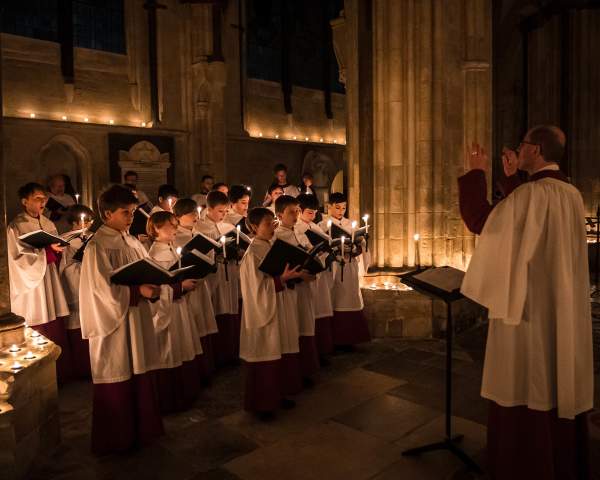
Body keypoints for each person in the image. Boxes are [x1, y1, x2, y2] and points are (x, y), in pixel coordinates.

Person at [458, 126, 593, 480]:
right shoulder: (571, 194)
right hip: (559, 306)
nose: (518, 150)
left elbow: (482, 221)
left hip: (528, 311)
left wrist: (475, 172)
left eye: (522, 145)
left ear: (535, 149)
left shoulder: (532, 195)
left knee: (527, 377)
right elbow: (531, 226)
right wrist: (512, 179)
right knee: (557, 372)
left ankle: (525, 465)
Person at [79, 184, 164, 454]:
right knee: (118, 369)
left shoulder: (132, 240)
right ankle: (118, 439)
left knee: (139, 367)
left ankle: (143, 431)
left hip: (135, 317)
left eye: (132, 212)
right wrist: (137, 290)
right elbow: (100, 290)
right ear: (106, 215)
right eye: (125, 213)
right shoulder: (98, 246)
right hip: (114, 324)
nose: (131, 218)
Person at [240, 207, 304, 418]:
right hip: (263, 313)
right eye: (267, 224)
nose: (272, 227)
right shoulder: (252, 254)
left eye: (273, 223)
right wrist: (281, 280)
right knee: (266, 354)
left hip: (279, 306)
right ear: (253, 227)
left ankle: (278, 395)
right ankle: (263, 404)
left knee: (280, 351)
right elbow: (254, 290)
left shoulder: (272, 246)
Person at [7, 182, 73, 383]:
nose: (42, 201)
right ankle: (40, 379)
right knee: (38, 319)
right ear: (24, 201)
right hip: (31, 286)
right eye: (37, 198)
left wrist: (59, 249)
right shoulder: (16, 226)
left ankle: (61, 374)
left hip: (49, 278)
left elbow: (53, 250)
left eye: (44, 198)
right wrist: (46, 251)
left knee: (53, 317)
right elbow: (16, 258)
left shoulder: (49, 223)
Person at [147, 211, 202, 413]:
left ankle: (186, 393)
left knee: (183, 345)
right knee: (170, 349)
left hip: (179, 308)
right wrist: (179, 288)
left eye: (175, 224)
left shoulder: (170, 249)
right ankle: (171, 400)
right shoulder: (157, 256)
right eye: (170, 225)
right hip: (169, 312)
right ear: (156, 228)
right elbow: (155, 292)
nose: (175, 228)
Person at [274, 195, 319, 386]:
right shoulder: (276, 236)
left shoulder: (301, 232)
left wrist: (313, 267)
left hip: (304, 288)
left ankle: (306, 371)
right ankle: (291, 375)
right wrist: (299, 274)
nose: (295, 215)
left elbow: (310, 254)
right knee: (291, 330)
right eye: (291, 212)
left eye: (297, 211)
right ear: (279, 214)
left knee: (305, 325)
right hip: (288, 291)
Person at [173, 198, 219, 381]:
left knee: (203, 323)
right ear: (177, 217)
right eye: (191, 214)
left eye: (197, 213)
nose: (196, 217)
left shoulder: (199, 234)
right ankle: (195, 372)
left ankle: (206, 368)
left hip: (202, 285)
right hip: (187, 290)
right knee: (192, 326)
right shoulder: (175, 237)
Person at [318, 192, 371, 350]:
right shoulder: (323, 225)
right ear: (329, 207)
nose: (341, 211)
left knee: (350, 298)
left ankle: (350, 339)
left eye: (344, 207)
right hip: (335, 267)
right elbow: (323, 247)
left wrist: (357, 246)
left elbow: (362, 247)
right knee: (335, 299)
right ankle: (334, 340)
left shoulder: (351, 224)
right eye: (338, 207)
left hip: (349, 266)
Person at [195, 190, 240, 366]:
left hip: (230, 271)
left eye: (226, 211)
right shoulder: (199, 228)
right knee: (215, 311)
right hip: (213, 276)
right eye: (220, 211)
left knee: (230, 308)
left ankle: (231, 352)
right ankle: (217, 357)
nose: (224, 214)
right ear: (209, 208)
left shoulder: (229, 228)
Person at [296, 193, 335, 364]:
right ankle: (314, 352)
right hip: (308, 276)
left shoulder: (315, 227)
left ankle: (324, 348)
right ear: (299, 211)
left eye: (314, 213)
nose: (312, 216)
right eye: (309, 213)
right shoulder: (298, 229)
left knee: (322, 308)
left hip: (322, 274)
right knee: (311, 312)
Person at [59, 204, 95, 379]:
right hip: (75, 283)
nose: (87, 223)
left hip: (91, 281)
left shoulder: (93, 238)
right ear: (74, 222)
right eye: (84, 220)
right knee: (76, 325)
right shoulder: (65, 240)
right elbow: (65, 266)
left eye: (89, 220)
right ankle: (81, 368)